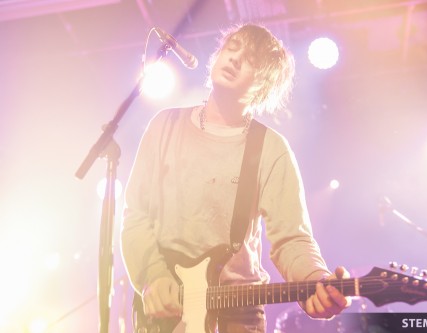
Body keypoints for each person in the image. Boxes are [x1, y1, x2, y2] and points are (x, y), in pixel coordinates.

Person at [120, 23, 351, 333]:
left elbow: (291, 239)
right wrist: (153, 276)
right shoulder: (164, 125)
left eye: (250, 60)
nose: (234, 59)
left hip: (237, 316)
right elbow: (136, 216)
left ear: (263, 86)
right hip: (166, 314)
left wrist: (315, 281)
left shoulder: (271, 148)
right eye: (232, 48)